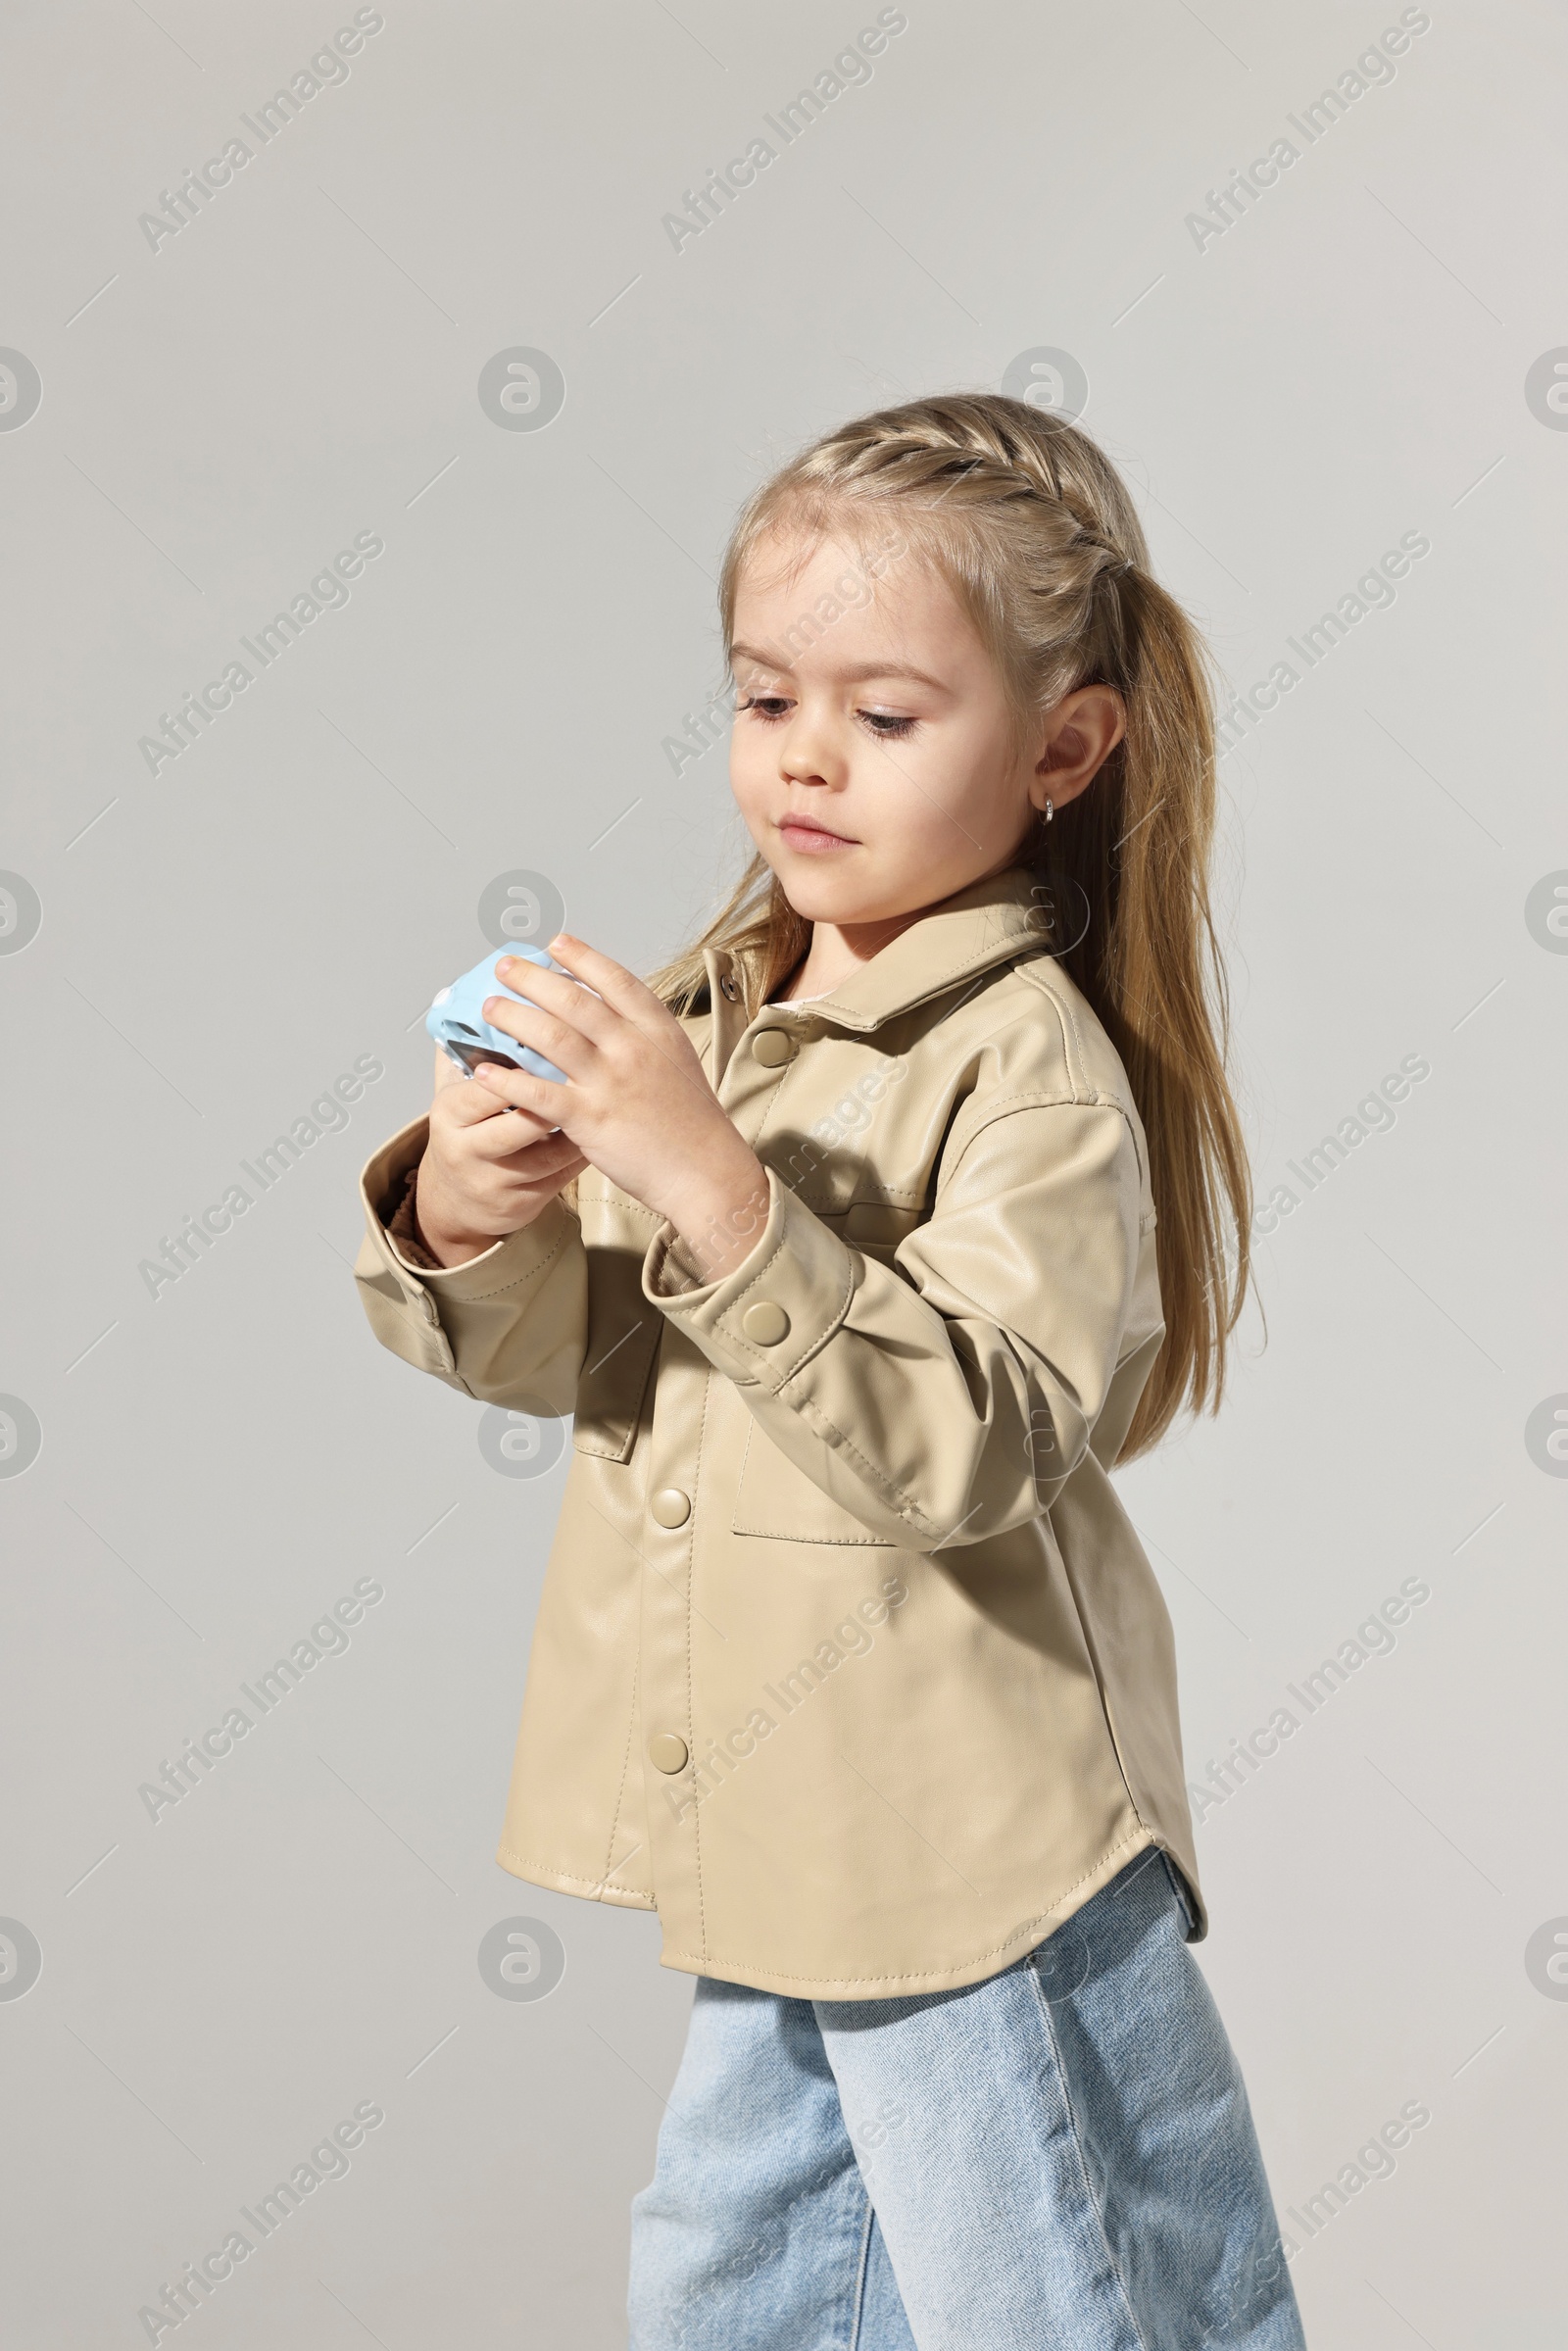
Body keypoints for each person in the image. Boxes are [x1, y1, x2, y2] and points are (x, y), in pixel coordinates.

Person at [352, 392, 1306, 2349]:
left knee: (1047, 2291)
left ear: (1061, 747)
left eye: (883, 716)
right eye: (765, 696)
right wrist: (472, 1203)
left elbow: (974, 1439)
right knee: (736, 2293)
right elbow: (604, 1368)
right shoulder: (722, 1007)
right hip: (776, 1837)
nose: (804, 760)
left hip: (963, 1847)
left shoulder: (1021, 1059)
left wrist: (711, 1179)